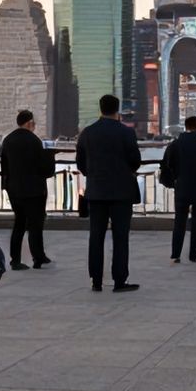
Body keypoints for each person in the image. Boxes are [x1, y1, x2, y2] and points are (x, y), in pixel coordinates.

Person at [75, 94, 141, 292]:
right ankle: (119, 280)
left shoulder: (87, 133)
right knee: (121, 238)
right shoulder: (126, 133)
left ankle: (96, 280)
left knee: (96, 237)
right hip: (121, 192)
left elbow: (81, 163)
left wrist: (93, 176)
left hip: (96, 192)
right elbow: (135, 160)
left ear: (100, 108)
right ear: (117, 109)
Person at [0, 110, 54, 271]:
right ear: (30, 123)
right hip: (34, 190)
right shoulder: (34, 141)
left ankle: (15, 259)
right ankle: (38, 257)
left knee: (19, 223)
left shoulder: (8, 140)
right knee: (35, 224)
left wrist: (6, 186)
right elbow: (45, 169)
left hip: (15, 189)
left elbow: (4, 167)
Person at [164, 116, 196, 264]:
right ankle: (193, 254)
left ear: (185, 126)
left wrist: (175, 178)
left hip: (182, 186)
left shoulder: (176, 144)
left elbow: (167, 164)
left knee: (179, 221)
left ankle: (175, 254)